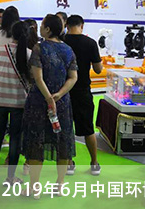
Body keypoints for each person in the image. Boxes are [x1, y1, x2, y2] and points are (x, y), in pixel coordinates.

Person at [21, 14, 78, 198]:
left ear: (47, 29)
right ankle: (59, 185)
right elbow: (73, 77)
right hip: (62, 103)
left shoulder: (39, 48)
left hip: (39, 102)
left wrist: (48, 98)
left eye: (42, 25)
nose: (40, 28)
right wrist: (59, 95)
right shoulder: (68, 50)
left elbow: (38, 78)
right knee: (62, 143)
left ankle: (34, 187)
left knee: (36, 142)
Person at [0, 21, 32, 185]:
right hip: (19, 102)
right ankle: (11, 177)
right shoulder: (29, 54)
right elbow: (32, 78)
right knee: (15, 139)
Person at [63, 15, 103, 176]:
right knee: (88, 129)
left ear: (66, 25)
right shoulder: (90, 43)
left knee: (66, 129)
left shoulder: (61, 41)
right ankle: (94, 163)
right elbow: (98, 69)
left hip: (63, 91)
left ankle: (69, 163)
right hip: (83, 91)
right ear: (82, 25)